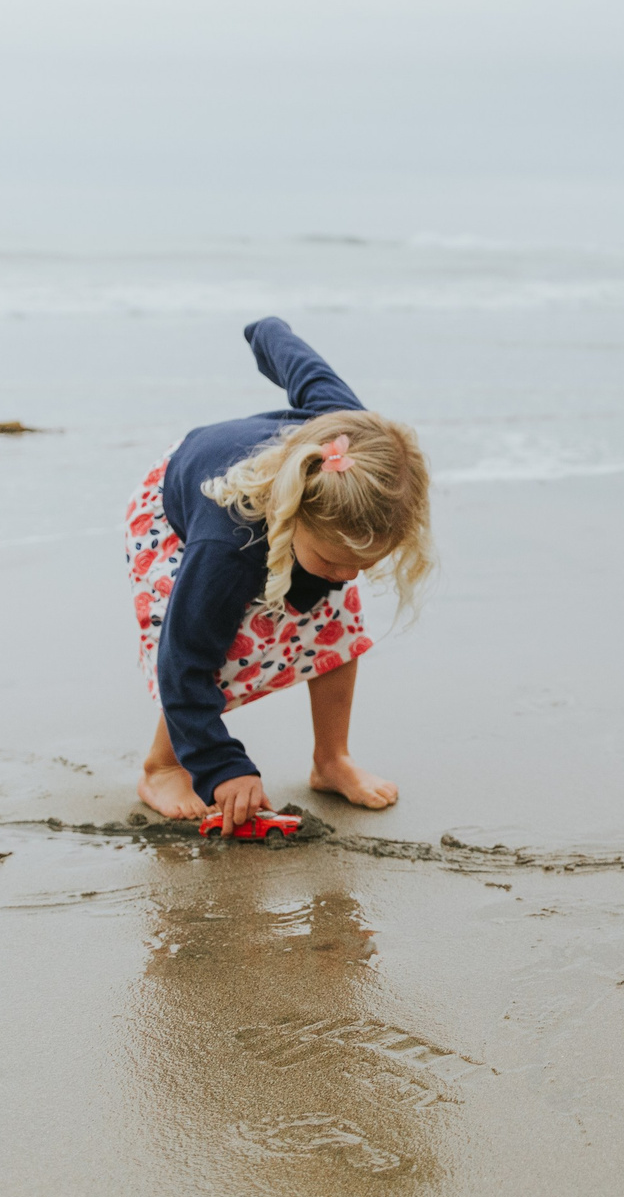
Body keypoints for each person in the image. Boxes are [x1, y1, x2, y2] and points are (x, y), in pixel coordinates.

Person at [126, 317, 433, 827]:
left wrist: (267, 333)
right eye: (336, 562)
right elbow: (183, 662)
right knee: (226, 644)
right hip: (182, 507)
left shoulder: (353, 439)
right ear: (293, 520)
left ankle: (331, 760)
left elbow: (301, 366)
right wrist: (223, 767)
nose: (349, 576)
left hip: (276, 512)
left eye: (365, 563)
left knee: (337, 624)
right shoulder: (227, 546)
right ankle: (162, 766)